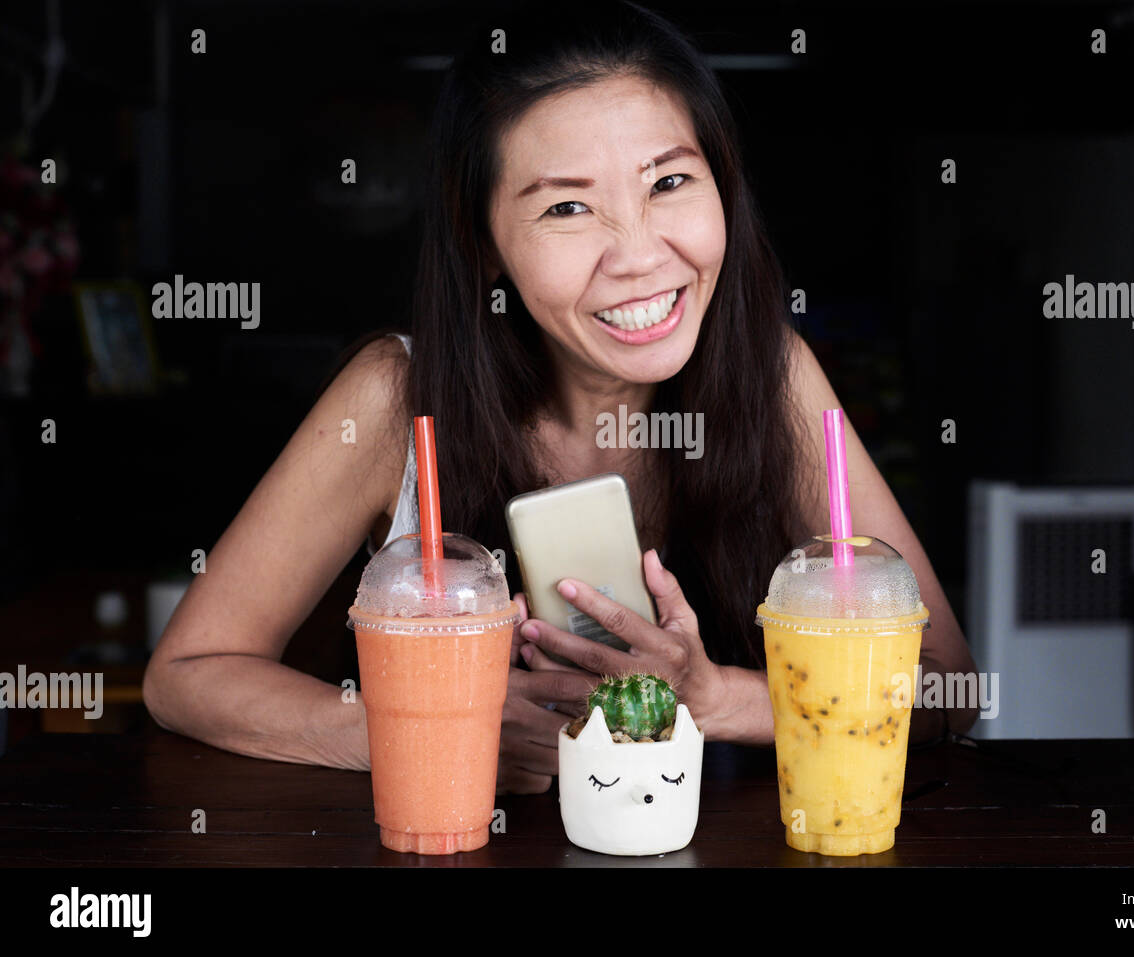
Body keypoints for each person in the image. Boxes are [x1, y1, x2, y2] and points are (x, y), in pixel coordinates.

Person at [143, 0, 978, 792]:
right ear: (485, 245)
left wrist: (720, 698)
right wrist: (431, 728)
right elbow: (188, 674)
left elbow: (946, 686)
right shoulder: (397, 398)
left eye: (669, 183)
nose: (640, 255)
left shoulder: (774, 375)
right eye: (569, 206)